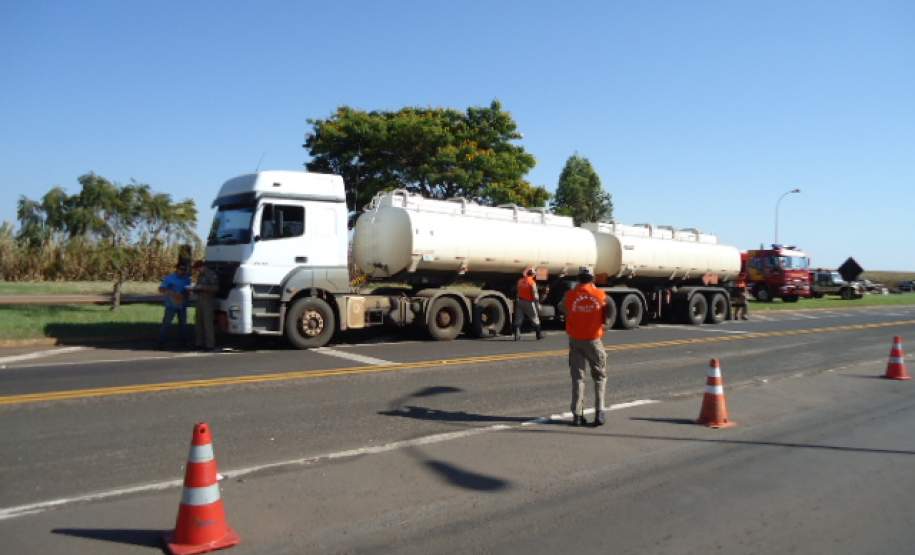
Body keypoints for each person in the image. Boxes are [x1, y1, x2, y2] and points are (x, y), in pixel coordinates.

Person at [563, 266, 610, 427]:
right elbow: (607, 313)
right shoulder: (600, 295)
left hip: (575, 340)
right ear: (593, 279)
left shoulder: (570, 296)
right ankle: (599, 413)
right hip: (594, 341)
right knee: (600, 377)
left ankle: (577, 415)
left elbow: (562, 308)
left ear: (578, 279)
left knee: (578, 378)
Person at [157, 263, 191, 349]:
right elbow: (161, 289)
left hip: (182, 304)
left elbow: (188, 290)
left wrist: (186, 294)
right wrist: (173, 293)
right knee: (166, 323)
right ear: (177, 269)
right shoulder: (170, 278)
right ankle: (161, 342)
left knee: (183, 324)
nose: (182, 271)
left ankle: (184, 342)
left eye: (184, 269)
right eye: (181, 269)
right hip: (171, 304)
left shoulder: (187, 279)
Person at [191, 260, 220, 351]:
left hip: (208, 301)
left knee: (208, 324)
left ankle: (210, 345)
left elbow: (216, 288)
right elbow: (198, 286)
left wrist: (203, 287)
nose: (197, 271)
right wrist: (194, 289)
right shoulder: (200, 275)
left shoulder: (211, 274)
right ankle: (199, 343)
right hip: (199, 300)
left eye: (198, 268)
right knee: (198, 323)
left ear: (202, 267)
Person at [514, 267, 543, 341]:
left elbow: (518, 290)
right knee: (534, 318)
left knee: (518, 318)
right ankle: (538, 334)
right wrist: (538, 304)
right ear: (533, 275)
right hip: (529, 302)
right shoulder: (532, 283)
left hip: (520, 301)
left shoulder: (520, 281)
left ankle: (517, 335)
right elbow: (535, 295)